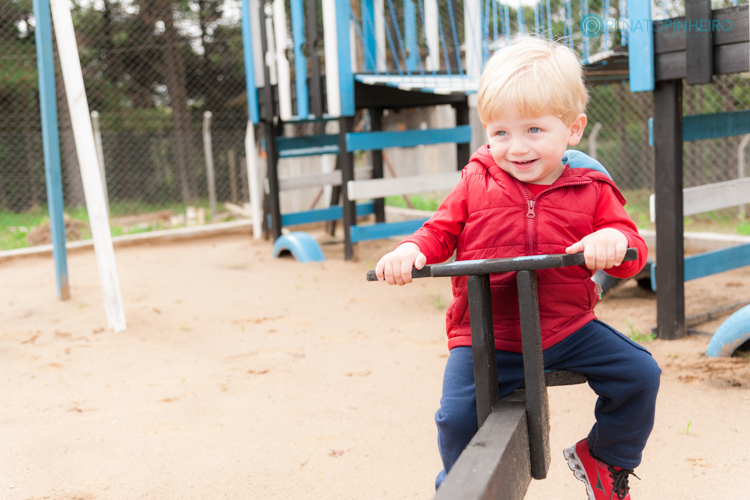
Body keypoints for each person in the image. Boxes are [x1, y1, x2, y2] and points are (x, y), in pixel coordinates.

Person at [374, 36, 660, 500]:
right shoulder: (476, 180)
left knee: (640, 374)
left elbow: (632, 250)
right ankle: (461, 489)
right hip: (487, 335)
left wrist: (614, 241)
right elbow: (439, 231)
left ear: (573, 129)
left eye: (534, 130)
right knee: (456, 418)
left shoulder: (591, 187)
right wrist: (411, 249)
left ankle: (606, 457)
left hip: (567, 328)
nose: (516, 148)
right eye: (501, 133)